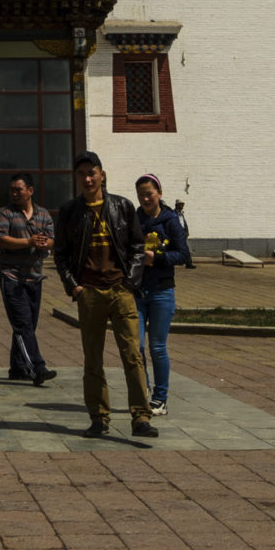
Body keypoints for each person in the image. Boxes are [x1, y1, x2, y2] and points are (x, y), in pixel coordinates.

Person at [52, 152, 154, 439]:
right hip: (90, 292)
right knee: (92, 358)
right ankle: (99, 417)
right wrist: (74, 285)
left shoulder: (122, 206)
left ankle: (141, 417)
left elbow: (136, 247)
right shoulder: (70, 211)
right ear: (76, 178)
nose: (87, 179)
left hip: (120, 290)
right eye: (82, 173)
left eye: (92, 172)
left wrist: (130, 283)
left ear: (102, 174)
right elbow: (60, 255)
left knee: (132, 355)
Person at [132, 175, 192, 416]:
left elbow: (184, 254)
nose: (145, 198)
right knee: (136, 347)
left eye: (149, 193)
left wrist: (156, 259)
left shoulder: (170, 221)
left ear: (159, 192)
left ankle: (160, 398)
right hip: (136, 291)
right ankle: (142, 390)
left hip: (162, 292)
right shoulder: (134, 219)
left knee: (157, 347)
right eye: (141, 194)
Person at [0, 172, 57, 385]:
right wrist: (28, 242)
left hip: (35, 278)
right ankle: (37, 367)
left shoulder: (43, 214)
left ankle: (17, 367)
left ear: (30, 190)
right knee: (22, 324)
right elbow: (1, 239)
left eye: (18, 189)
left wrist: (43, 243)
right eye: (12, 190)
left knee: (28, 325)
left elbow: (51, 240)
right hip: (12, 276)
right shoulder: (6, 213)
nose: (14, 193)